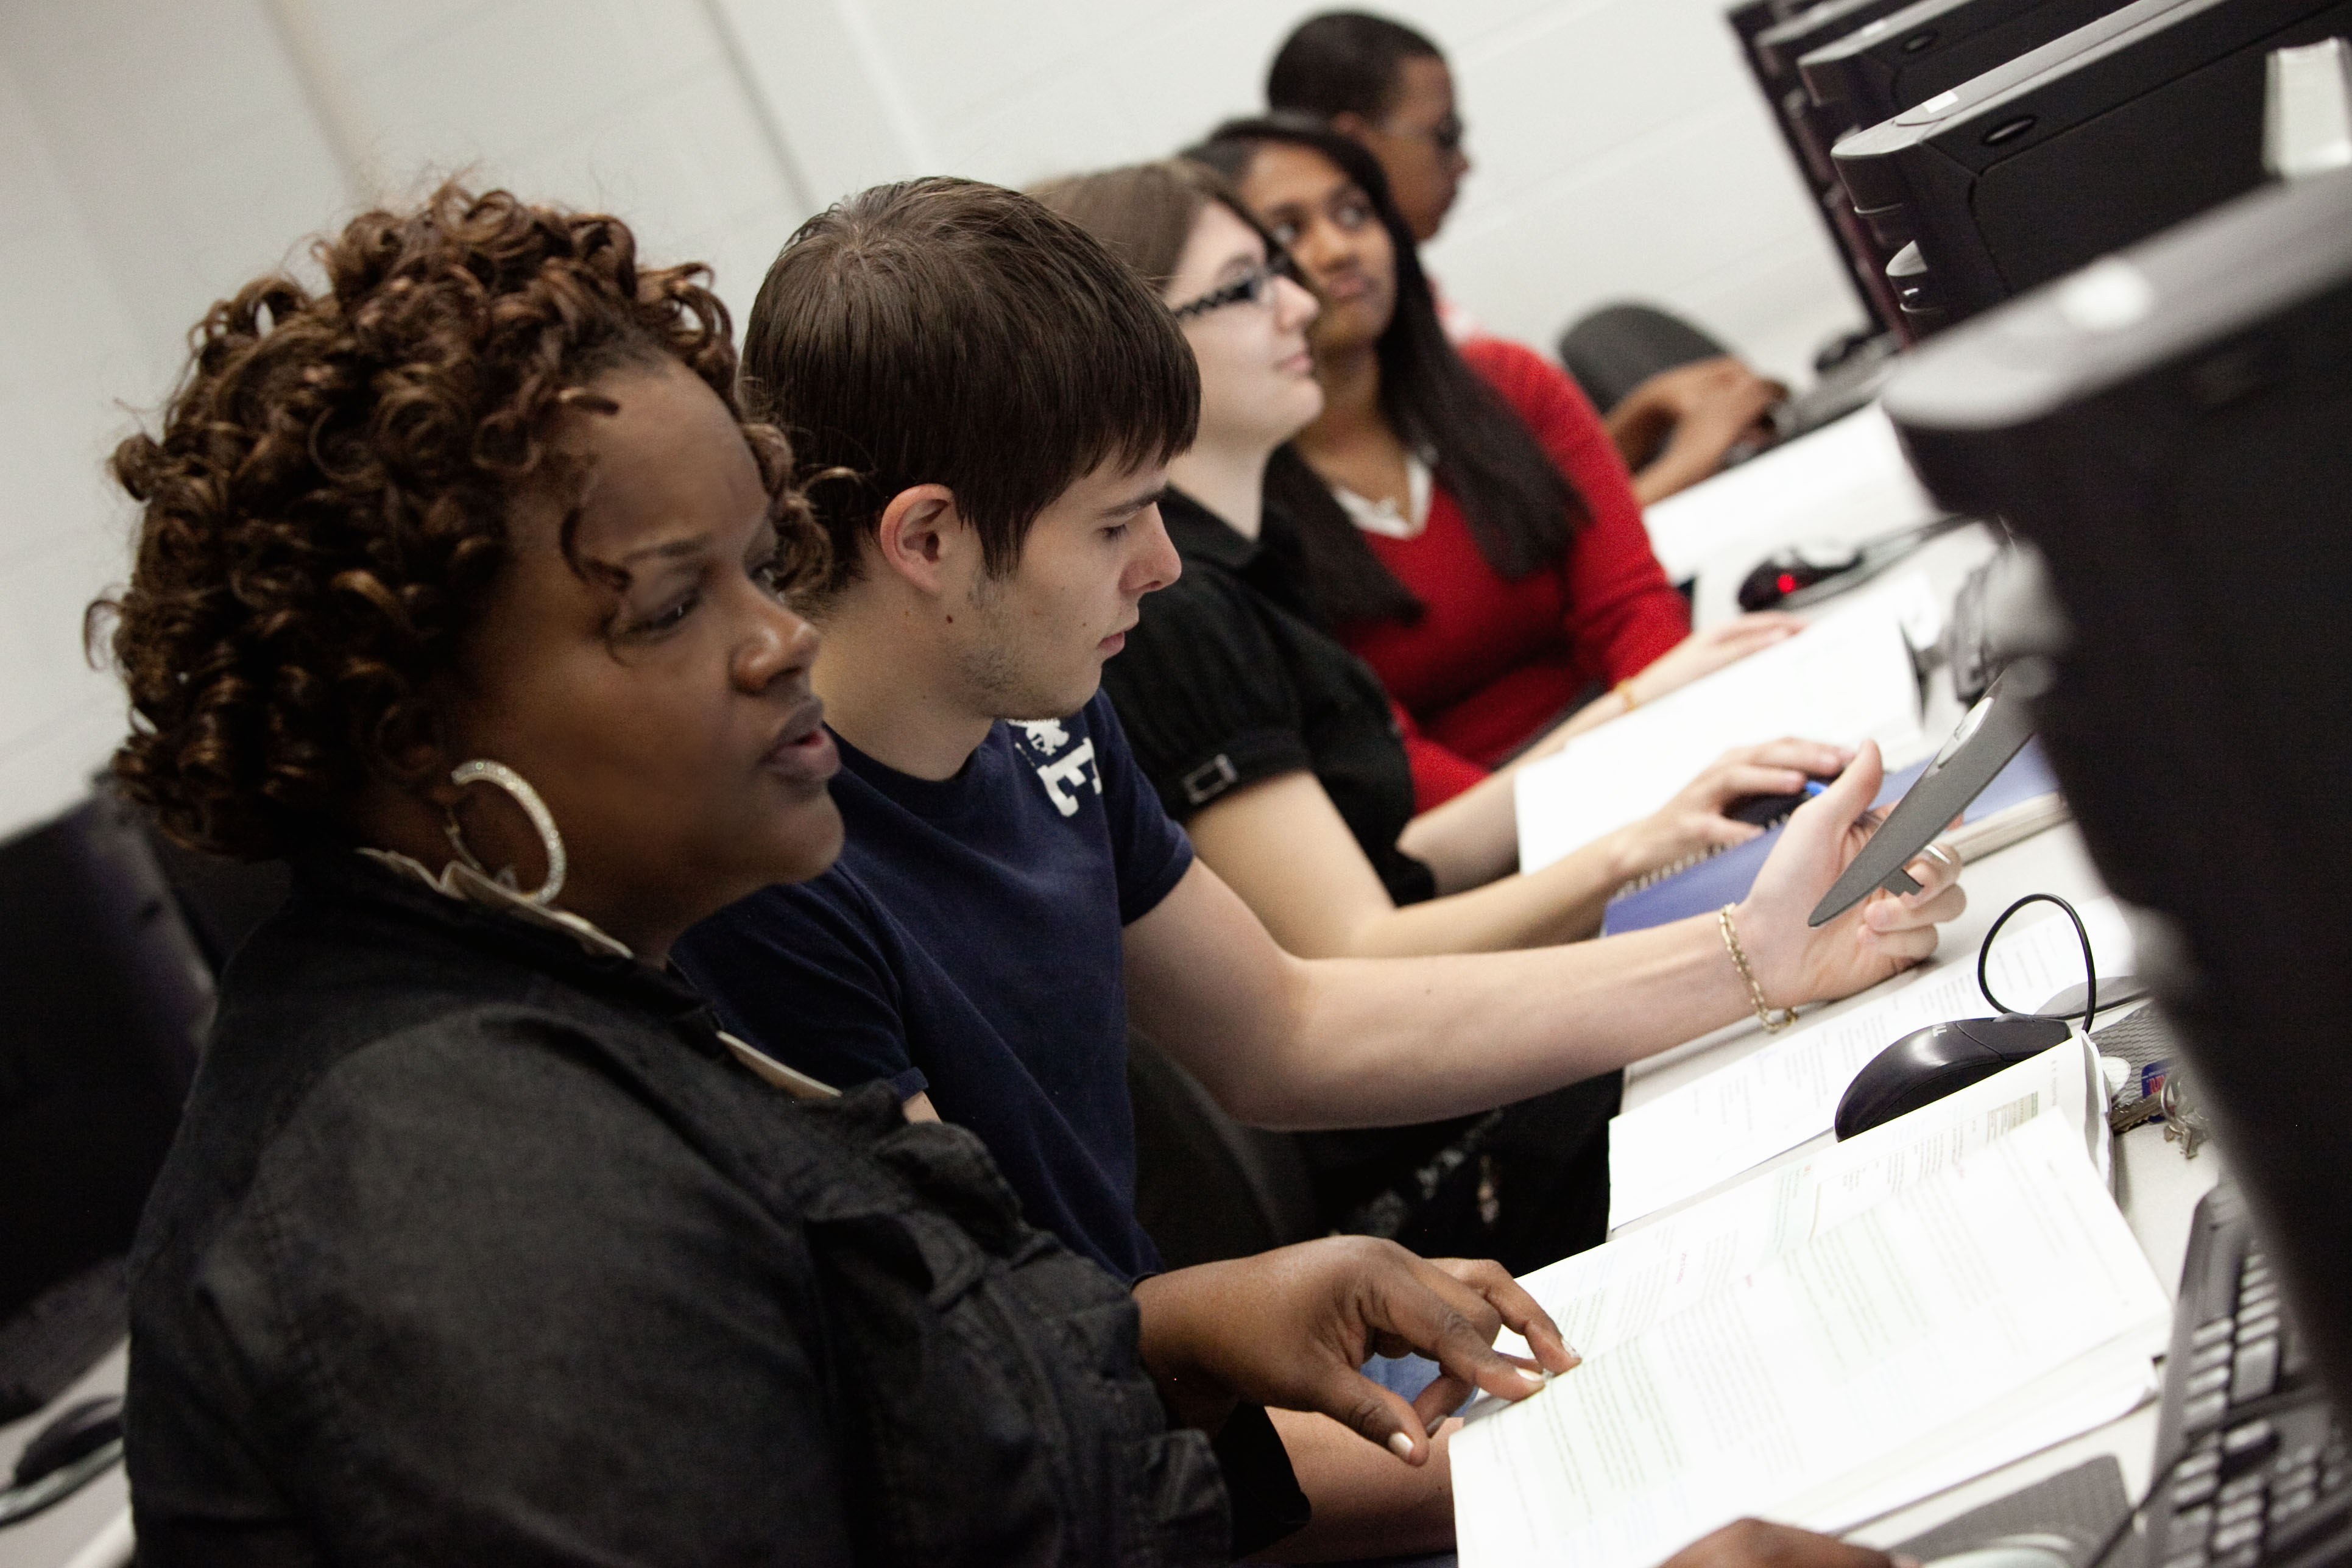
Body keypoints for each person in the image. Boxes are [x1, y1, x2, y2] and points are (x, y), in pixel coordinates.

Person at [99, 183, 1606, 1566]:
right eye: (674, 605)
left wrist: (1190, 1337)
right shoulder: (455, 1189)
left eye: (767, 563)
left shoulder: (571, 994)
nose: (779, 642)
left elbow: (946, 1430)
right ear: (417, 725)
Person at [676, 175, 1963, 1559]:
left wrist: (1744, 961)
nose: (1164, 566)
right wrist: (1599, 1440)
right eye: (1114, 524)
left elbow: (1285, 1021)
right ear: (925, 540)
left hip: (1193, 1429)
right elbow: (1019, 1409)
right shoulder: (769, 879)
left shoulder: (1037, 708)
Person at [1028, 156, 1851, 1284]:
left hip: (1445, 1072)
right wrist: (1625, 852)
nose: (1302, 306)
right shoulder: (1175, 607)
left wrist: (1641, 777)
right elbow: (1344, 950)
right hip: (1431, 1154)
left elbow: (1391, 859)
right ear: (1133, 348)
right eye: (1244, 287)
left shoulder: (1245, 555)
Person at [1190, 115, 1795, 803]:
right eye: (1290, 232)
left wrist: (1672, 756)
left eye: (1353, 213)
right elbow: (1386, 761)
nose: (1337, 249)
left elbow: (1630, 609)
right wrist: (1560, 821)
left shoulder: (1506, 383)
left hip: (1644, 746)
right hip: (1478, 840)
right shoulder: (1242, 505)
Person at [1263, 13, 1785, 503]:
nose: (1464, 164)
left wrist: (1643, 417)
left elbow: (1529, 499)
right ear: (1356, 142)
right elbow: (1509, 569)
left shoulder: (1414, 297)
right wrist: (1693, 458)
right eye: (1444, 134)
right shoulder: (1347, 341)